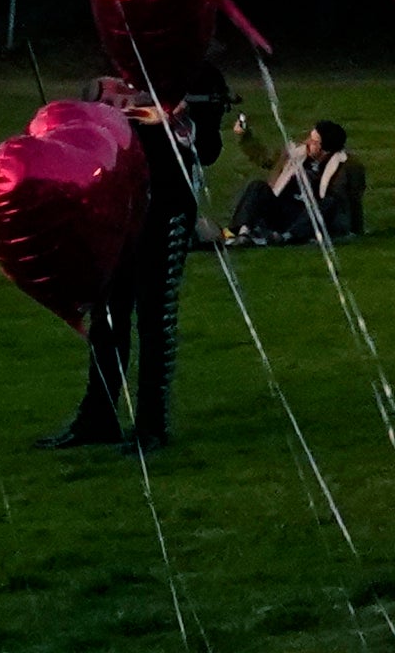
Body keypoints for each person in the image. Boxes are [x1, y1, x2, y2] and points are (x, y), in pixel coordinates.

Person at [42, 56, 226, 452]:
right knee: (107, 317)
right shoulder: (123, 66)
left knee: (155, 320)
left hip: (165, 208)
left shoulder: (196, 73)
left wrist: (180, 119)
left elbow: (208, 148)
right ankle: (98, 417)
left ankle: (150, 425)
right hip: (117, 209)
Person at [225, 116, 361, 246]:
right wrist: (245, 137)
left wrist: (355, 229)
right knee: (257, 186)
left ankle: (288, 237)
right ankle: (243, 232)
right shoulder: (295, 154)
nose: (307, 142)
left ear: (325, 150)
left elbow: (352, 199)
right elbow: (265, 158)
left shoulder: (346, 166)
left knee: (330, 202)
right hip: (282, 209)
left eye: (314, 142)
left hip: (309, 216)